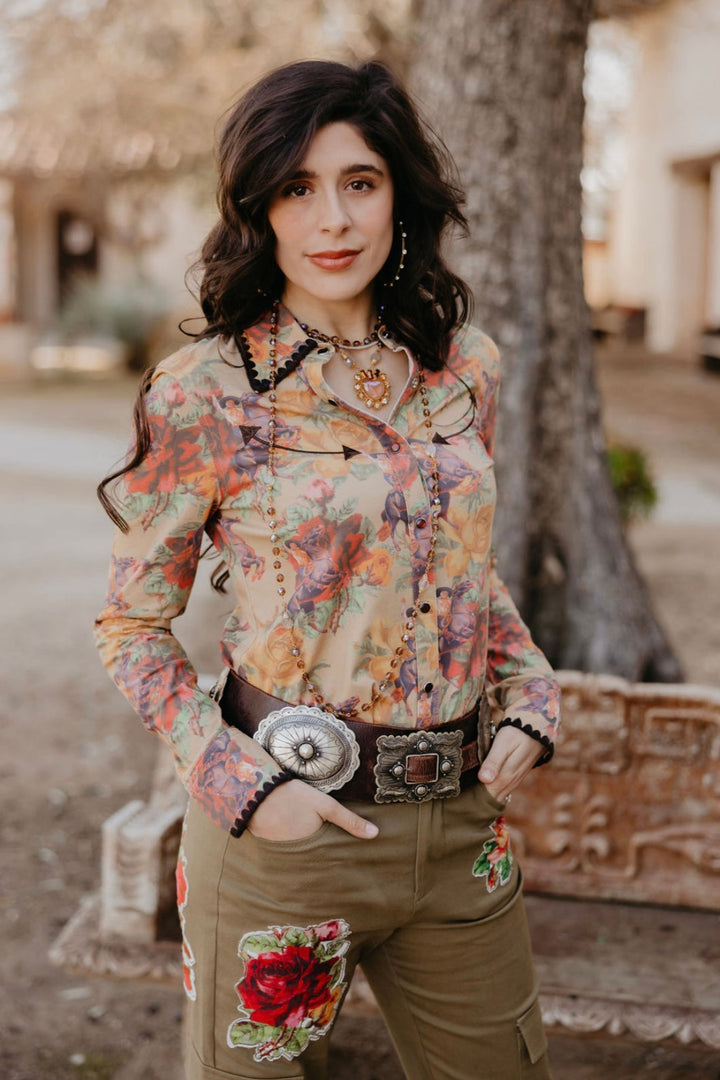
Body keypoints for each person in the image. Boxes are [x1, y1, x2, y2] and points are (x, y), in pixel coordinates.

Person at [95, 59, 560, 1080]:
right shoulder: (205, 392)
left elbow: (461, 568)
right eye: (297, 188)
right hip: (285, 838)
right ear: (259, 210)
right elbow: (130, 626)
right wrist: (242, 787)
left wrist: (529, 690)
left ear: (400, 194)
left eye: (360, 182)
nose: (333, 219)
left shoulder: (465, 367)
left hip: (460, 833)